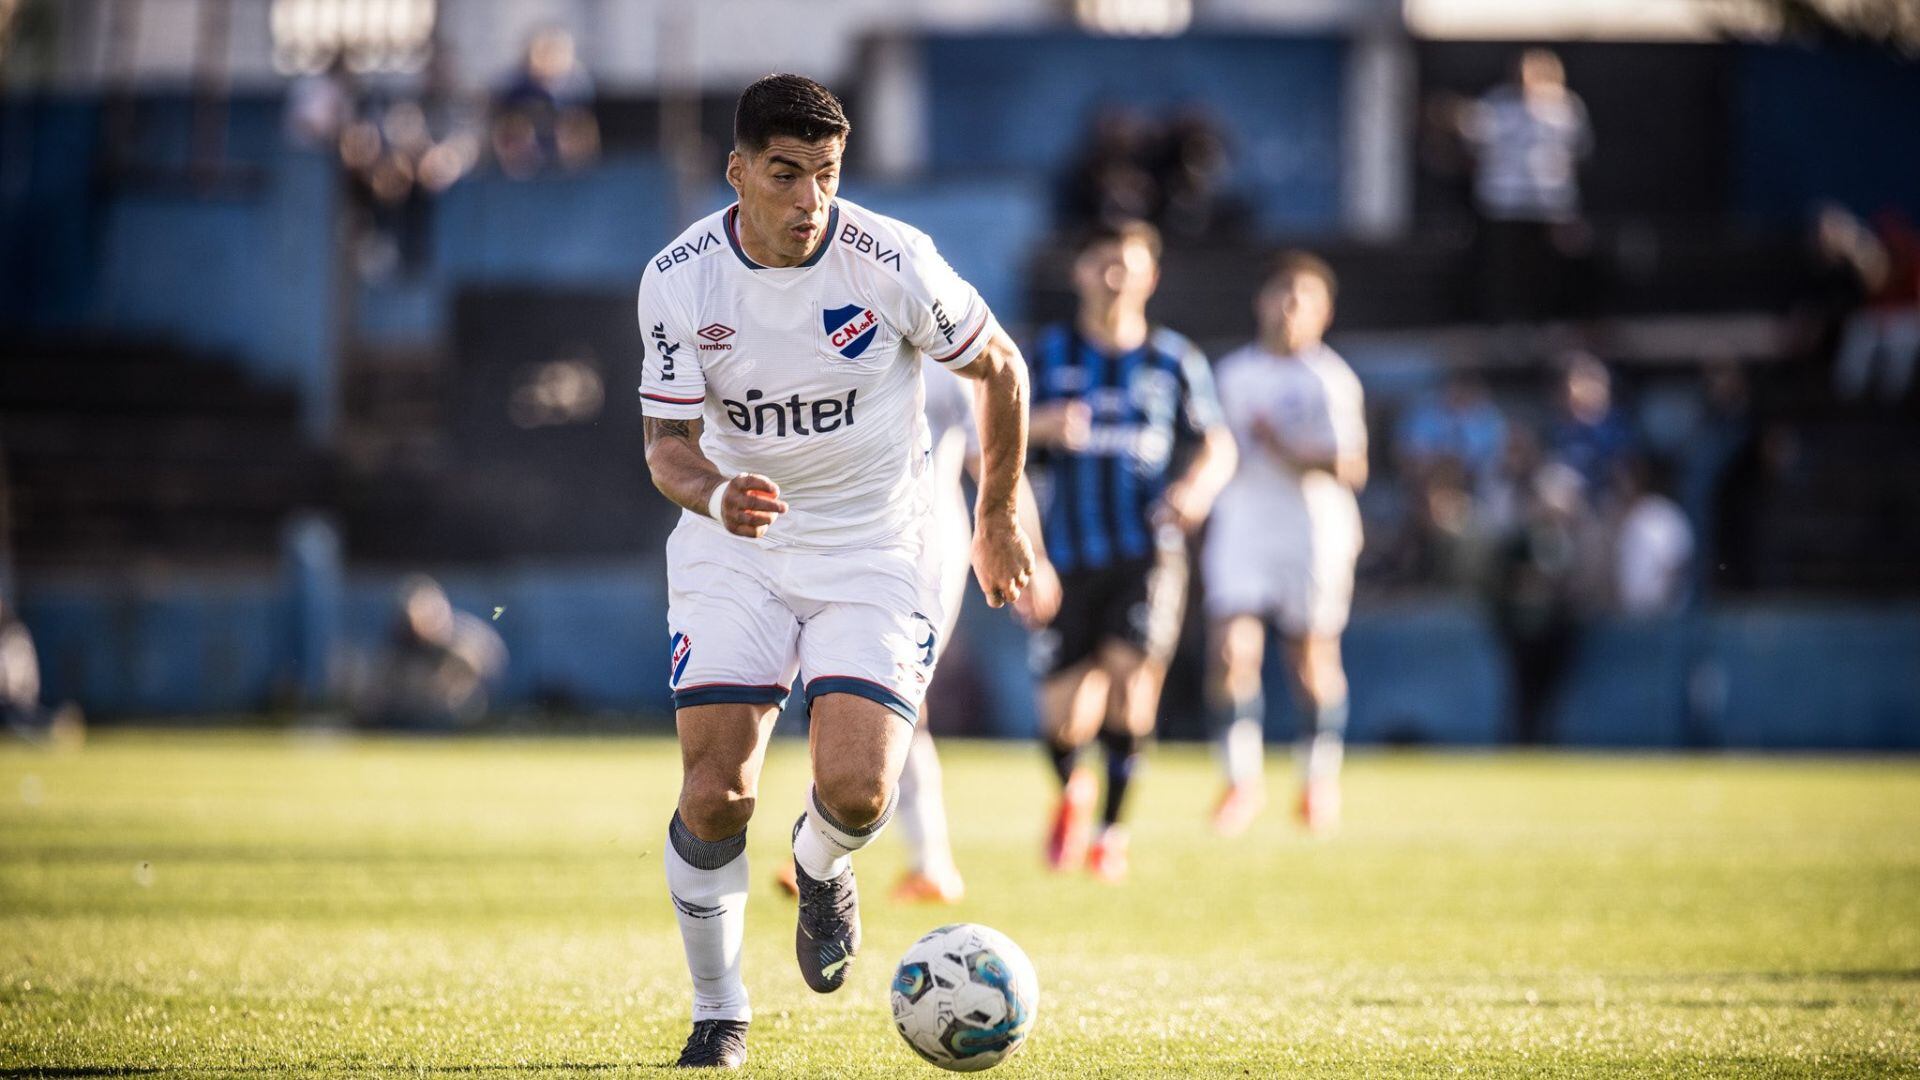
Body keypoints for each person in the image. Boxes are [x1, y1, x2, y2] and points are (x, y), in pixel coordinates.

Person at [636, 74, 1034, 1069]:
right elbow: (666, 447)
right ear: (738, 173)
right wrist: (717, 497)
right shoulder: (680, 278)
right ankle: (719, 1011)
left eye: (825, 173)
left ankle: (820, 869)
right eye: (785, 174)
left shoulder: (890, 258)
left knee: (857, 790)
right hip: (738, 546)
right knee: (715, 795)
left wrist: (993, 514)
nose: (809, 197)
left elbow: (1003, 372)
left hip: (876, 547)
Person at [1026, 219, 1235, 883]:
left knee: (1131, 685)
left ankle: (1111, 834)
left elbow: (1216, 443)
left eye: (1128, 264)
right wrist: (1043, 426)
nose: (1115, 276)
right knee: (1064, 716)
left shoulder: (1173, 361)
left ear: (1151, 276)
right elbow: (993, 434)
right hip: (1064, 555)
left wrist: (1196, 489)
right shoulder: (1049, 352)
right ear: (1081, 273)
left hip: (1148, 552)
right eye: (1102, 263)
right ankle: (1074, 789)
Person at [1203, 252, 1367, 837]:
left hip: (1311, 530)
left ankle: (1318, 780)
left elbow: (1353, 466)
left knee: (1311, 660)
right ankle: (1240, 781)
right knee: (1230, 652)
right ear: (1262, 300)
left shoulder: (1330, 379)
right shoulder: (1231, 374)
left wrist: (1290, 447)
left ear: (1324, 312)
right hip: (1244, 524)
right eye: (1282, 293)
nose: (1290, 308)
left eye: (1304, 298)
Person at [1456, 49, 1593, 322]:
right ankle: (1503, 321)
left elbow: (1579, 153)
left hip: (1549, 203)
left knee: (1548, 270)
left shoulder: (1565, 108)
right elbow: (1473, 144)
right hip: (1504, 202)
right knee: (1505, 269)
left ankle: (1547, 323)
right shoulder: (1498, 103)